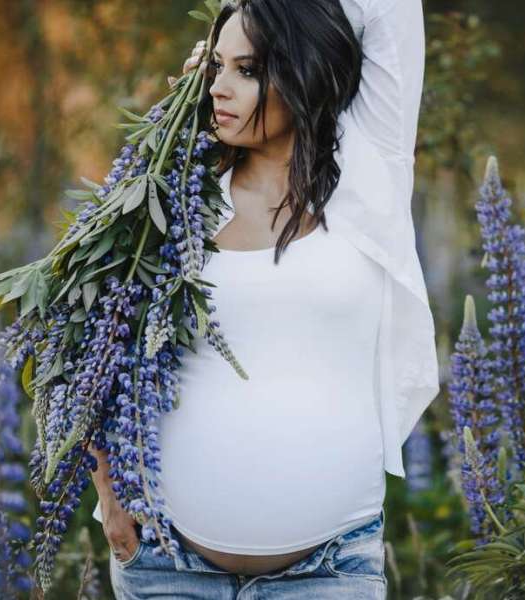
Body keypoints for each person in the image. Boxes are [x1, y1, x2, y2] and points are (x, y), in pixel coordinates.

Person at [90, 0, 437, 597]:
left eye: (247, 70)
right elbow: (92, 343)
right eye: (215, 67)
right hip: (167, 566)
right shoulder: (175, 198)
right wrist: (109, 499)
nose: (219, 89)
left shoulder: (368, 177)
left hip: (328, 569)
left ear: (303, 70)